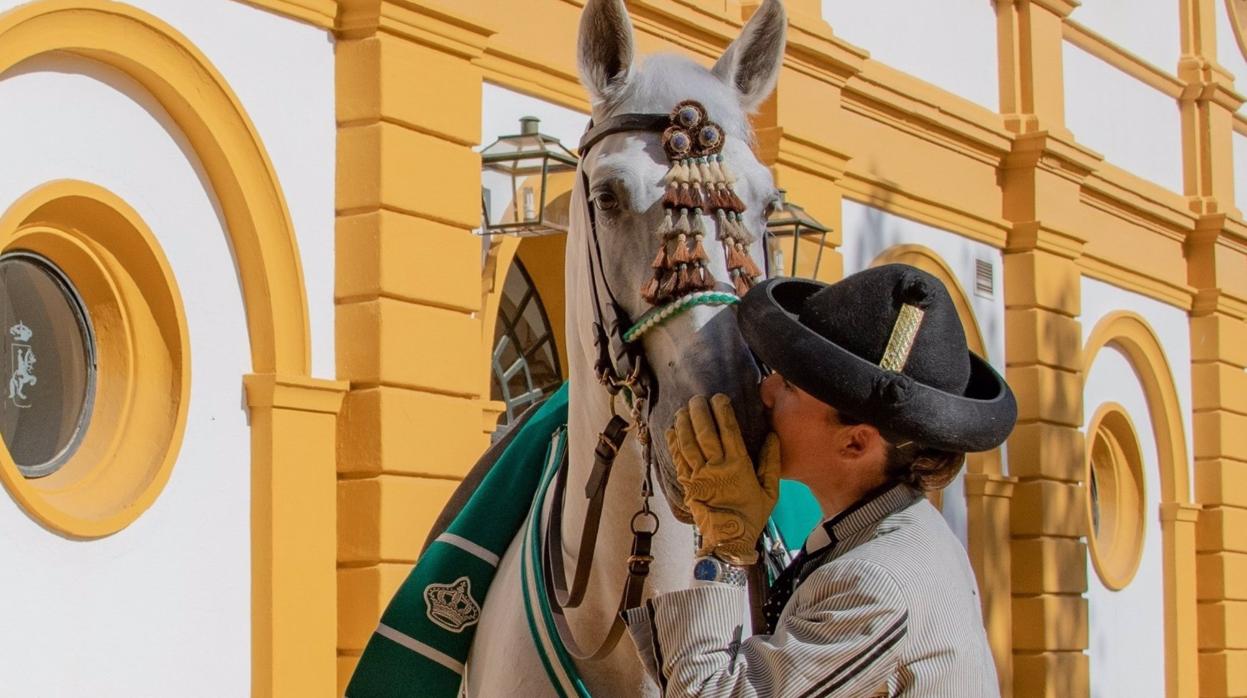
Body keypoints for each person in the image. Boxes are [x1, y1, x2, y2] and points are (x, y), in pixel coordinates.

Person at [622, 264, 1017, 697]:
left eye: (789, 385)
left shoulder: (874, 581)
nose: (766, 391)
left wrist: (726, 546)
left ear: (856, 443)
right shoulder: (893, 533)